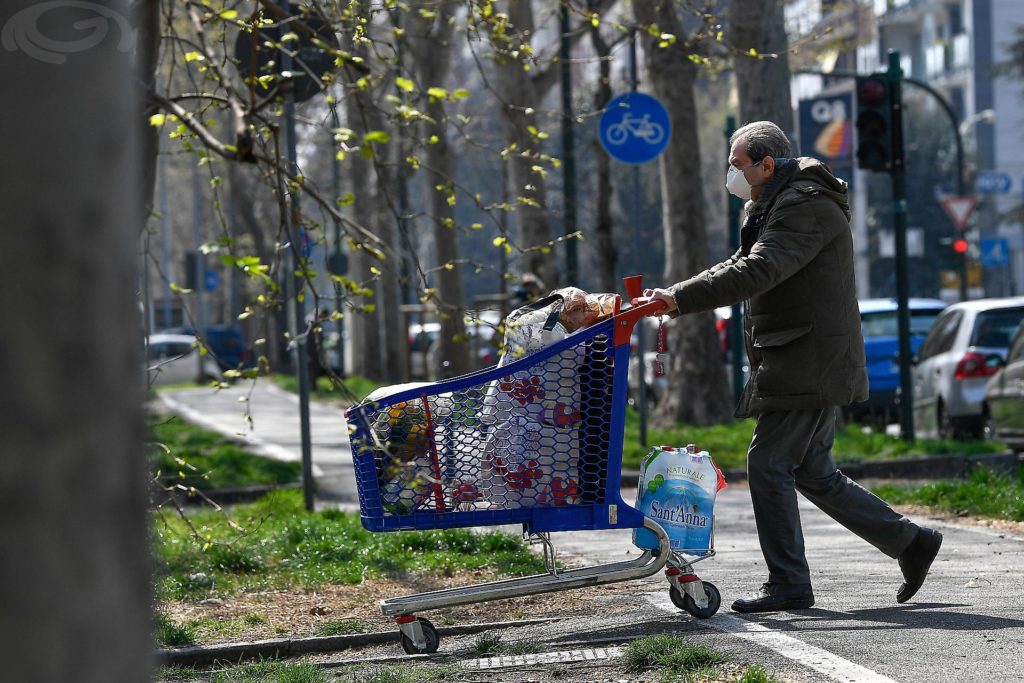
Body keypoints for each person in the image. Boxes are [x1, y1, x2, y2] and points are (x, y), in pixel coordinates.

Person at [638, 121, 942, 613]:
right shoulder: (776, 202)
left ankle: (789, 584)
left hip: (809, 359)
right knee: (814, 472)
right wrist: (672, 297)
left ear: (766, 164)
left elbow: (759, 270)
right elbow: (738, 262)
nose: (732, 175)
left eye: (738, 165)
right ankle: (911, 543)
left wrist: (678, 299)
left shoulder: (804, 206)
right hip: (804, 355)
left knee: (768, 463)